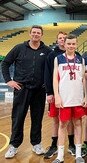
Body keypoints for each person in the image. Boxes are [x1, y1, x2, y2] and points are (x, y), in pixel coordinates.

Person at [2, 25, 52, 159]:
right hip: (21, 89)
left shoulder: (47, 51)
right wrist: (9, 80)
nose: (36, 34)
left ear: (41, 35)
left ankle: (36, 143)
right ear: (30, 34)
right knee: (18, 118)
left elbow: (52, 69)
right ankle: (13, 146)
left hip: (39, 91)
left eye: (38, 33)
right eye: (34, 32)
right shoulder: (19, 48)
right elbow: (5, 63)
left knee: (37, 118)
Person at [52, 34, 87, 163]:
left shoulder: (81, 60)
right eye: (69, 44)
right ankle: (60, 156)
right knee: (62, 125)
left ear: (76, 44)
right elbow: (55, 79)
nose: (71, 46)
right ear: (64, 44)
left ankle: (78, 154)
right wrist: (57, 96)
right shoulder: (58, 59)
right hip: (64, 98)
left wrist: (85, 96)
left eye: (73, 44)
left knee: (78, 124)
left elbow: (83, 79)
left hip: (77, 98)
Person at [44, 31, 76, 159]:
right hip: (57, 94)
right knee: (56, 120)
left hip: (71, 94)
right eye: (60, 38)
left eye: (64, 38)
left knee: (72, 121)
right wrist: (50, 92)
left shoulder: (76, 55)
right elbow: (48, 74)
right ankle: (53, 145)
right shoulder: (52, 55)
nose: (62, 40)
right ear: (57, 40)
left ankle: (72, 144)